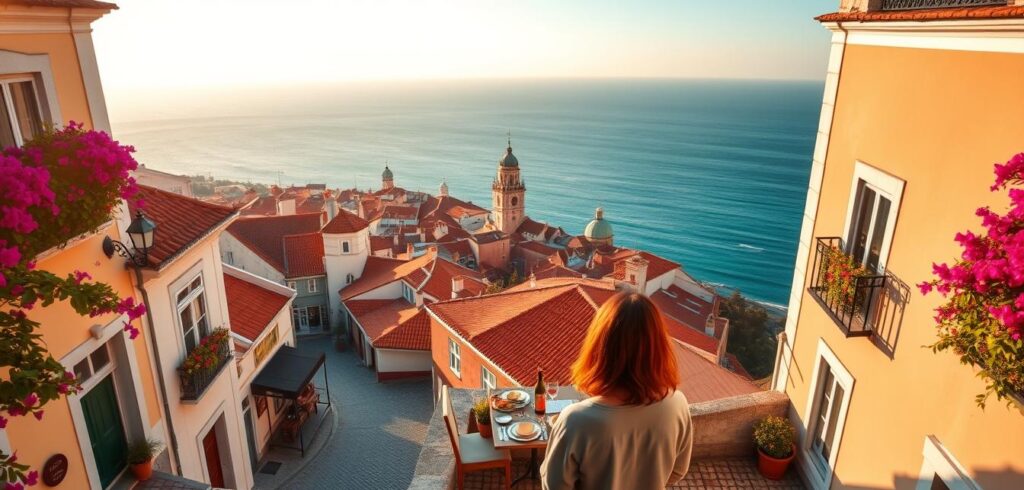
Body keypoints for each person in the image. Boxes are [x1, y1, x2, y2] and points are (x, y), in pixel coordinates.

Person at [541, 292, 693, 490]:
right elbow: (678, 471)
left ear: (599, 347)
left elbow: (554, 487)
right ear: (659, 346)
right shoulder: (677, 404)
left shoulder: (575, 422)